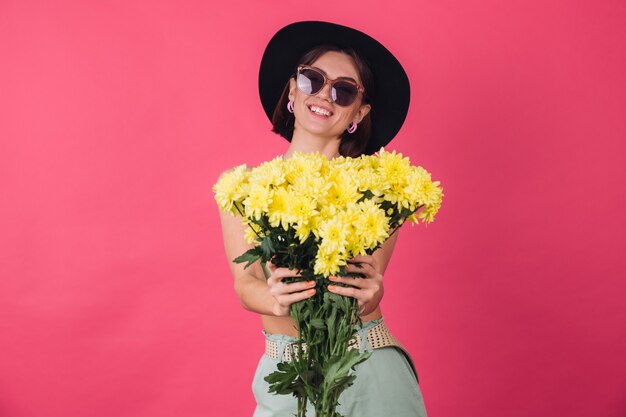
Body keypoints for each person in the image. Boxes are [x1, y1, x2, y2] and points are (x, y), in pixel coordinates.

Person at [217, 21, 428, 416]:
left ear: (358, 111)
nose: (325, 96)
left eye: (343, 90)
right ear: (293, 90)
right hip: (287, 378)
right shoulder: (242, 190)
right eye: (312, 79)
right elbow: (245, 281)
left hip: (369, 370)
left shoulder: (379, 191)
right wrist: (274, 299)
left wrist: (370, 294)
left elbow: (369, 284)